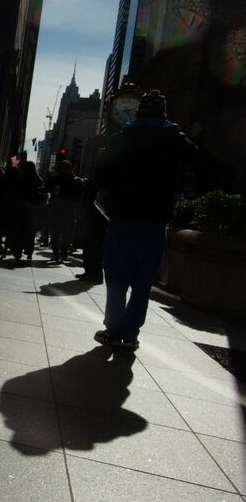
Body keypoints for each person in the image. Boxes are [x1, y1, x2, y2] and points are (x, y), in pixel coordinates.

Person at [94, 89, 197, 350]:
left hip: (123, 219)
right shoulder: (174, 138)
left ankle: (112, 329)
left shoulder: (124, 136)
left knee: (117, 276)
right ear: (164, 113)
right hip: (155, 221)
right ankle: (131, 334)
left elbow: (101, 172)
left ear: (139, 112)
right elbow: (197, 161)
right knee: (143, 281)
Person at [45, 160, 82, 262]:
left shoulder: (57, 179)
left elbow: (47, 190)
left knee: (58, 232)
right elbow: (79, 196)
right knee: (64, 233)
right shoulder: (74, 180)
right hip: (66, 210)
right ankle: (60, 253)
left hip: (61, 209)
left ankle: (58, 253)